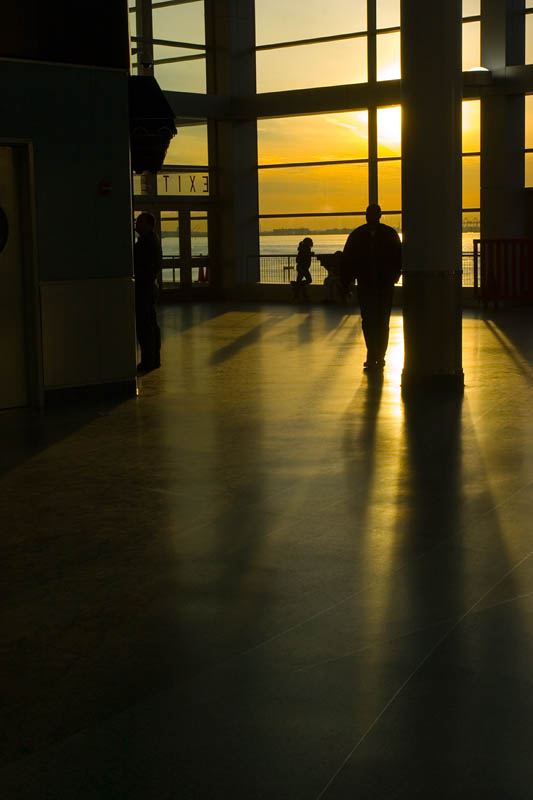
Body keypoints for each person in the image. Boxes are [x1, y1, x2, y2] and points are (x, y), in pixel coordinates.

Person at [341, 204, 402, 370]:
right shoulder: (390, 234)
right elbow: (399, 258)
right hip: (381, 284)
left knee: (371, 320)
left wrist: (347, 283)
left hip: (368, 284)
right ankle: (378, 355)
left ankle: (375, 354)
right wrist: (395, 275)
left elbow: (348, 261)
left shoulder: (357, 235)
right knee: (379, 320)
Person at [134, 212, 162, 373]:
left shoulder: (146, 243)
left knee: (146, 326)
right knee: (150, 324)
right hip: (149, 289)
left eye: (139, 222)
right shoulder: (152, 241)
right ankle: (153, 358)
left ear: (149, 225)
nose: (137, 225)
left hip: (144, 290)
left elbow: (142, 265)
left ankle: (148, 360)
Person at [291, 237, 314, 302]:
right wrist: (310, 254)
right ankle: (297, 286)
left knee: (299, 282)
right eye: (311, 242)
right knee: (309, 280)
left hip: (301, 267)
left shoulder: (303, 249)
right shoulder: (305, 249)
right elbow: (304, 256)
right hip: (303, 268)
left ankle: (296, 295)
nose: (312, 243)